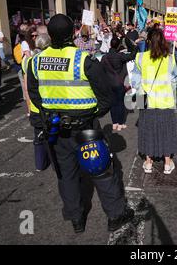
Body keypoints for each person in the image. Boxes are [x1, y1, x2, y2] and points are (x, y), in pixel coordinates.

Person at [27, 14, 134, 233]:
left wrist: (49, 112)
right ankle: (115, 215)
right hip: (85, 125)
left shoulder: (36, 61)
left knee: (66, 174)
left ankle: (76, 219)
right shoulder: (83, 59)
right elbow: (105, 96)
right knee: (101, 170)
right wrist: (92, 113)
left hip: (56, 128)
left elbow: (34, 94)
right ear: (72, 34)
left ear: (50, 35)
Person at [132, 28, 177, 175]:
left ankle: (148, 162)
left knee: (148, 131)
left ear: (148, 41)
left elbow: (135, 81)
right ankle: (167, 163)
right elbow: (174, 81)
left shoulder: (140, 57)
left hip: (147, 102)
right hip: (165, 101)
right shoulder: (170, 58)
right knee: (166, 131)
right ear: (164, 41)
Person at [22, 33, 51, 171]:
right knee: (53, 134)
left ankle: (40, 164)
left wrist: (29, 106)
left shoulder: (29, 60)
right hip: (50, 104)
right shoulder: (50, 60)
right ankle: (54, 162)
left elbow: (27, 88)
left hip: (35, 106)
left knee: (38, 136)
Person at [102, 37, 138, 131]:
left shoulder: (104, 57)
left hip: (109, 83)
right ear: (118, 46)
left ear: (110, 45)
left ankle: (114, 123)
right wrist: (135, 47)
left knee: (113, 104)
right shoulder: (120, 56)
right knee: (120, 103)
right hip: (119, 83)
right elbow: (132, 56)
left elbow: (101, 70)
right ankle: (121, 123)